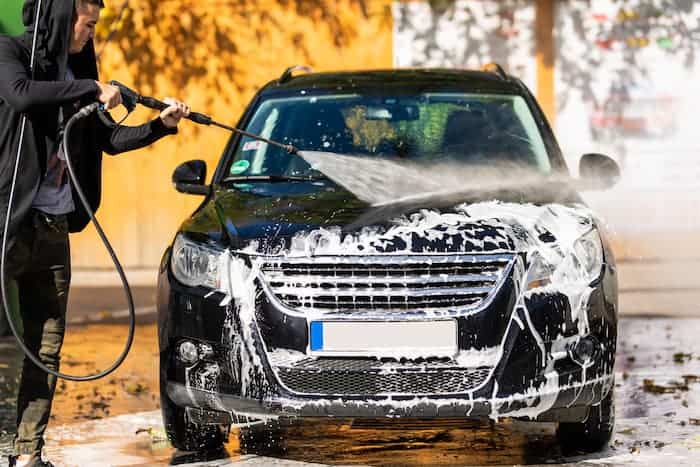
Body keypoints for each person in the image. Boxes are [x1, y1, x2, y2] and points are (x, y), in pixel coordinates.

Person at [0, 0, 191, 465]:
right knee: (6, 343)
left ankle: (28, 452)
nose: (91, 33)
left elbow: (108, 139)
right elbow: (22, 95)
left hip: (54, 229)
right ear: (66, 18)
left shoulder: (83, 72)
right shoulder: (10, 53)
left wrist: (159, 127)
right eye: (88, 24)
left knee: (46, 346)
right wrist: (89, 88)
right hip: (10, 226)